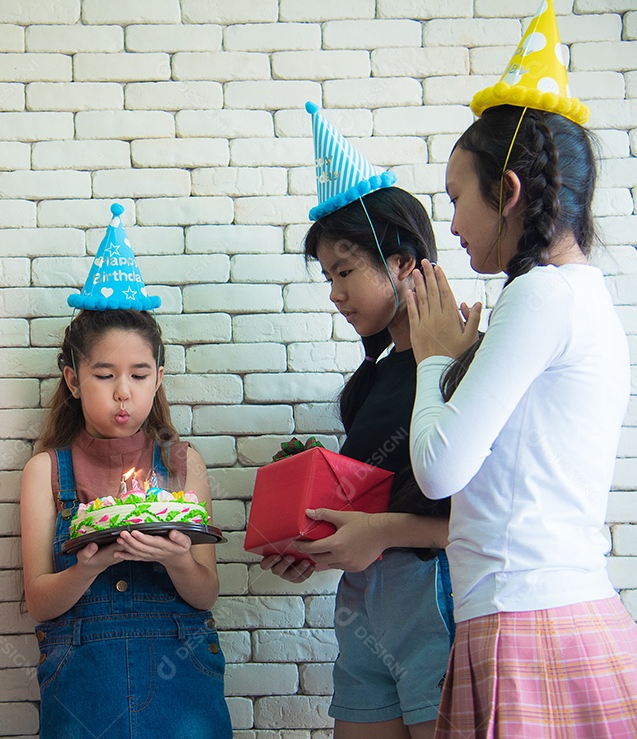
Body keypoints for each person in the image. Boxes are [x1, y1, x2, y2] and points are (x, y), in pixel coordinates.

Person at [406, 3, 637, 735]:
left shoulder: (540, 294)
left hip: (530, 628)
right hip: (555, 616)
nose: (451, 225)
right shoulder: (581, 295)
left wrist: (432, 358)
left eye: (457, 199)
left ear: (507, 192)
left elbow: (439, 469)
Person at [263, 104, 453, 739]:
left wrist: (377, 533)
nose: (335, 293)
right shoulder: (366, 385)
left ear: (401, 263)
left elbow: (490, 517)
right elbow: (368, 507)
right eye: (328, 276)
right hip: (362, 603)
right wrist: (313, 544)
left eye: (345, 271)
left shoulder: (460, 364)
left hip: (433, 594)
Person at [20, 205, 232, 738]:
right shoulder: (46, 471)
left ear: (158, 378)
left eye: (138, 375)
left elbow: (206, 593)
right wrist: (89, 567)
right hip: (84, 682)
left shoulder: (183, 464)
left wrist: (178, 560)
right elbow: (39, 601)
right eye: (104, 375)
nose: (123, 392)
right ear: (73, 379)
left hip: (181, 676)